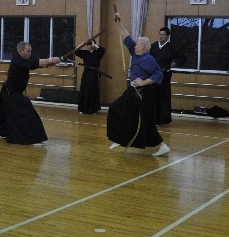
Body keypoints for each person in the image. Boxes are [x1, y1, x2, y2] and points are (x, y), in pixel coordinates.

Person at [107, 12, 170, 156]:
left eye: (138, 44)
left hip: (144, 93)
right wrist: (119, 21)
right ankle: (120, 138)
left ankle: (162, 146)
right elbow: (126, 36)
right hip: (134, 91)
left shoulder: (148, 59)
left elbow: (158, 74)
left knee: (139, 118)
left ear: (143, 47)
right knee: (122, 112)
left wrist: (143, 82)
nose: (135, 45)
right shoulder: (135, 53)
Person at [0, 42, 60, 145]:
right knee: (27, 111)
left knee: (2, 113)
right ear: (21, 51)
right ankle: (32, 138)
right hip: (10, 93)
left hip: (10, 92)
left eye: (30, 51)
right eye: (28, 51)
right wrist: (50, 60)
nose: (30, 53)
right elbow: (32, 63)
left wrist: (48, 63)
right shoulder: (17, 60)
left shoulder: (24, 59)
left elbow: (33, 62)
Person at [149, 27, 186, 125]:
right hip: (153, 75)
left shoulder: (171, 47)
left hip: (165, 74)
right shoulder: (153, 46)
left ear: (167, 36)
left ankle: (163, 119)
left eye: (163, 35)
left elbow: (182, 57)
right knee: (153, 96)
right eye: (160, 34)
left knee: (163, 97)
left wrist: (174, 62)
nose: (161, 36)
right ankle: (152, 118)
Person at [75, 39, 106, 114]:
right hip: (86, 73)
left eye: (91, 44)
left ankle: (93, 109)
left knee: (93, 90)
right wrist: (82, 44)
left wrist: (94, 44)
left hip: (94, 73)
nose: (90, 46)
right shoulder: (85, 53)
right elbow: (75, 51)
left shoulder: (98, 53)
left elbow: (103, 50)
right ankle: (83, 108)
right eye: (88, 44)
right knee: (85, 89)